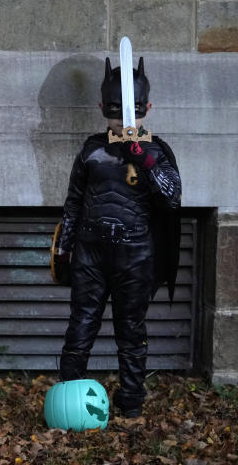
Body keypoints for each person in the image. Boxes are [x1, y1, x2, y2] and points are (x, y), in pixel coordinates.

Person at [53, 55, 181, 418]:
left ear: (148, 108)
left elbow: (172, 197)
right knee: (81, 324)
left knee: (131, 329)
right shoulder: (91, 149)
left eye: (134, 109)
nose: (123, 116)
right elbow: (74, 202)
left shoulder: (156, 151)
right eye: (114, 108)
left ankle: (131, 401)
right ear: (100, 107)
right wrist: (64, 250)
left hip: (136, 253)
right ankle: (69, 400)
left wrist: (144, 157)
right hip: (90, 253)